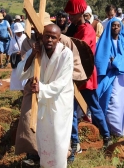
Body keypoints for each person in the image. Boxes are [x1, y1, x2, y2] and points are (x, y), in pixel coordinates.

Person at [16, 24, 74, 168]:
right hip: (42, 100)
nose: (49, 39)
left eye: (53, 37)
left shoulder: (66, 54)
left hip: (59, 102)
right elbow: (21, 72)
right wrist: (32, 55)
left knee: (58, 139)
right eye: (46, 36)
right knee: (43, 138)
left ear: (58, 39)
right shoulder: (37, 51)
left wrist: (42, 88)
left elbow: (62, 82)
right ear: (42, 36)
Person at [65, 0, 111, 161]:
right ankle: (75, 143)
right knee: (71, 109)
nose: (69, 17)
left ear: (80, 13)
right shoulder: (73, 28)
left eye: (72, 14)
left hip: (84, 74)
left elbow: (79, 48)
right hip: (72, 74)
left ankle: (106, 137)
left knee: (94, 107)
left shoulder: (87, 30)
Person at [96, 18, 124, 137]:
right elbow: (100, 60)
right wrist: (113, 63)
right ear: (109, 27)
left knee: (120, 103)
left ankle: (117, 131)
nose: (116, 27)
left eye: (118, 25)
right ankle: (106, 129)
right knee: (110, 102)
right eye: (113, 25)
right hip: (108, 77)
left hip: (122, 78)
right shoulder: (103, 42)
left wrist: (117, 61)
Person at [8, 23, 27, 91]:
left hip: (26, 60)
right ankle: (23, 92)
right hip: (18, 62)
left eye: (20, 32)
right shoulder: (12, 40)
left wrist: (23, 52)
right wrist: (16, 53)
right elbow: (9, 52)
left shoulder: (26, 37)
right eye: (17, 32)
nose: (19, 33)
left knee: (26, 78)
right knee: (18, 79)